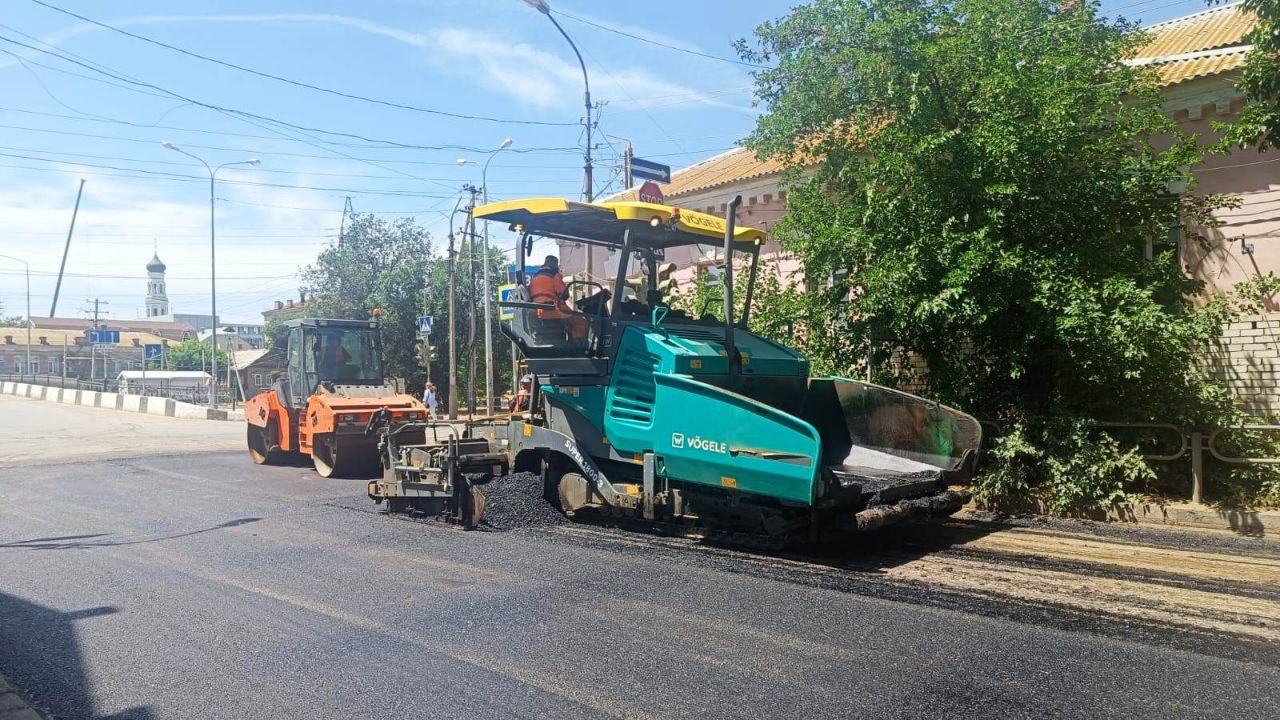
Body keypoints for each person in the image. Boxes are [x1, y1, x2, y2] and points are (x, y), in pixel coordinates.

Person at [528, 255, 588, 341]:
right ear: (554, 265)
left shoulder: (535, 277)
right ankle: (578, 346)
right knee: (580, 322)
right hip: (552, 309)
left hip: (537, 311)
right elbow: (564, 294)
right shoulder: (554, 275)